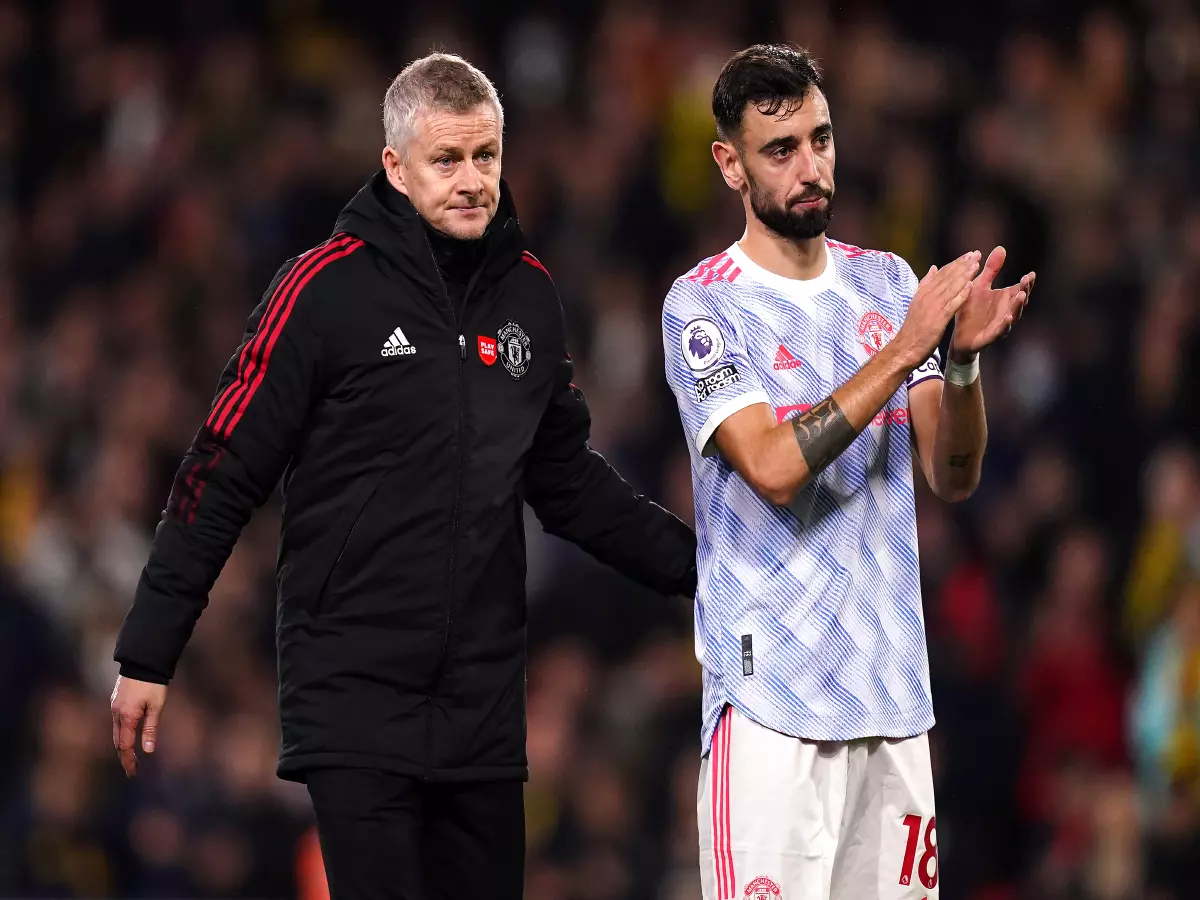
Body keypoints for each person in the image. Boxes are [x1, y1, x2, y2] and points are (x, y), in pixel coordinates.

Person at [110, 52, 696, 900]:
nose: (471, 181)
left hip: (484, 709)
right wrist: (148, 653)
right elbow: (218, 473)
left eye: (486, 157)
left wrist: (705, 570)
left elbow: (567, 481)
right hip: (353, 698)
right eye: (447, 160)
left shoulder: (528, 296)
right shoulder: (320, 291)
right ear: (394, 166)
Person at [661, 44, 1034, 900]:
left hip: (893, 700)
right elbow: (773, 466)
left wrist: (963, 366)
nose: (810, 167)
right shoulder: (704, 302)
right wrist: (908, 348)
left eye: (821, 140)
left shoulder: (887, 282)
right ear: (730, 163)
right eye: (780, 150)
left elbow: (954, 474)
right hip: (769, 710)